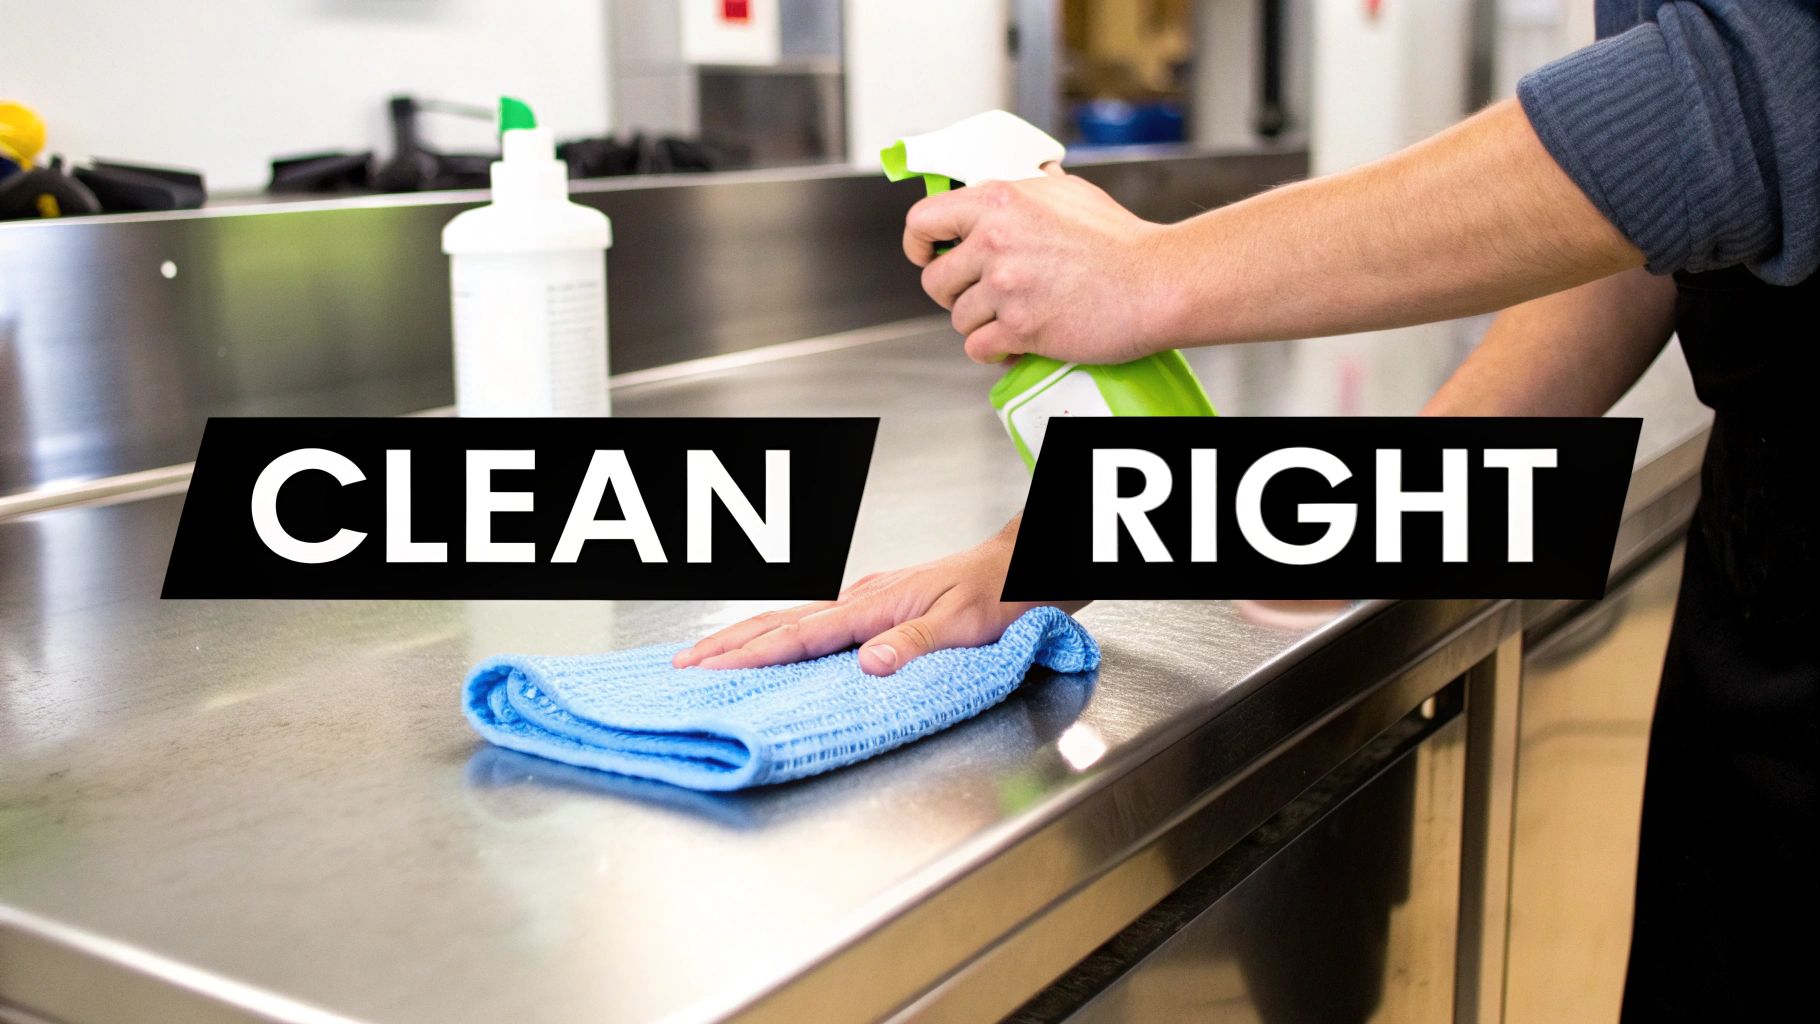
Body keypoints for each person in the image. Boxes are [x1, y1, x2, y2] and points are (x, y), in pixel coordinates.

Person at [677, 2, 1817, 1016]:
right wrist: (1299, 515)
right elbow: (1649, 239)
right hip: (1766, 563)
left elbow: (1748, 91)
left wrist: (1148, 271)